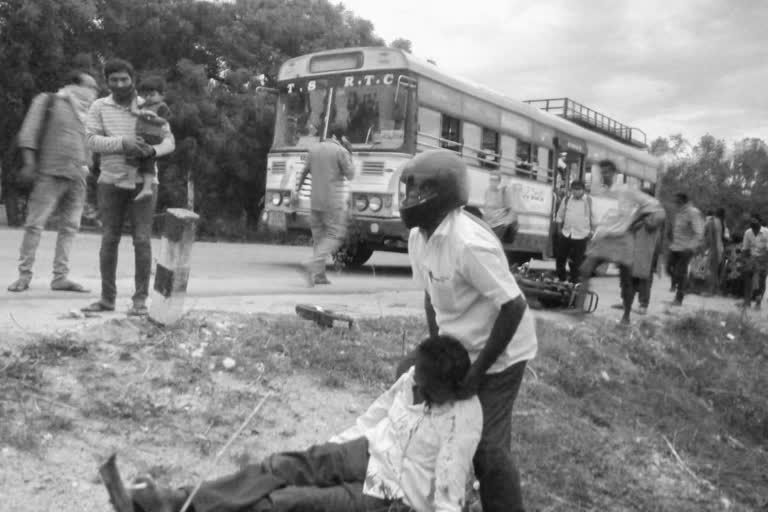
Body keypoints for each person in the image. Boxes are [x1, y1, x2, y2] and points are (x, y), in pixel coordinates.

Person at [127, 335, 482, 512]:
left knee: (286, 502)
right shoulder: (414, 378)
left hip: (389, 492)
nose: (415, 384)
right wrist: (333, 450)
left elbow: (449, 497)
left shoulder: (461, 421)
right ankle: (175, 501)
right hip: (369, 451)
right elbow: (375, 415)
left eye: (425, 383)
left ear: (449, 386)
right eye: (415, 376)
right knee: (281, 466)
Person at [396, 149, 538, 512]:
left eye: (420, 191)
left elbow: (514, 306)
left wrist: (476, 374)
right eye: (408, 190)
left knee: (489, 448)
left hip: (501, 352)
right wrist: (435, 352)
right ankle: (428, 486)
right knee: (407, 377)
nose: (410, 199)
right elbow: (431, 297)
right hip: (460, 344)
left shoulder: (468, 243)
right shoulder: (419, 237)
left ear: (444, 194)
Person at [81, 58, 175, 316]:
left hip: (143, 182)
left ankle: (139, 301)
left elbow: (170, 142)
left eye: (125, 79)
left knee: (142, 240)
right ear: (106, 81)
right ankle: (107, 299)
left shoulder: (149, 105)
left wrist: (150, 150)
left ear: (132, 79)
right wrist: (123, 143)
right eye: (114, 80)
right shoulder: (99, 106)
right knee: (109, 239)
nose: (120, 84)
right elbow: (91, 141)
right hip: (110, 182)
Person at [7, 70, 99, 293]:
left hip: (78, 176)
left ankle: (60, 278)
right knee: (35, 225)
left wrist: (89, 164)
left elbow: (90, 142)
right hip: (49, 172)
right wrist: (29, 164)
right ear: (74, 84)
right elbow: (28, 133)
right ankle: (24, 275)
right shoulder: (48, 100)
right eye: (90, 86)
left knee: (70, 228)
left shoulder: (89, 111)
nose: (93, 91)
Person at [575, 159, 661, 325]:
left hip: (623, 239)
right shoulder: (599, 192)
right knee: (585, 269)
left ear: (615, 173)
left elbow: (653, 205)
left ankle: (626, 316)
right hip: (604, 239)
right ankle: (579, 309)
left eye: (607, 171)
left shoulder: (627, 191)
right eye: (602, 171)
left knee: (626, 279)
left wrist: (637, 221)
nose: (604, 174)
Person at [294, 123, 354, 286]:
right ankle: (311, 264)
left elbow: (304, 172)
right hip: (332, 202)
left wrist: (297, 191)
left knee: (319, 238)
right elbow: (351, 174)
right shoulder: (341, 151)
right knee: (335, 235)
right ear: (340, 137)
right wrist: (350, 151)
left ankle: (319, 276)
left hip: (315, 201)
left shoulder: (314, 149)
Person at [132, 75, 172, 202]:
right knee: (134, 156)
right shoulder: (144, 105)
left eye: (152, 94)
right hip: (142, 135)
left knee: (148, 159)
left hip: (153, 137)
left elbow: (163, 120)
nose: (148, 97)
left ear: (161, 95)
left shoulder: (162, 106)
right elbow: (134, 110)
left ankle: (147, 187)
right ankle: (132, 181)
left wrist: (150, 117)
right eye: (146, 95)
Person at [628, 189, 666, 315]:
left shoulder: (658, 211)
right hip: (637, 246)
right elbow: (631, 226)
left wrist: (641, 217)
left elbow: (651, 225)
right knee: (631, 275)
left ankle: (643, 305)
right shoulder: (641, 209)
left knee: (645, 277)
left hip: (650, 249)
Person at [667, 192, 704, 306]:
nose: (675, 203)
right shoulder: (679, 212)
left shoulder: (693, 212)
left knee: (680, 273)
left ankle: (679, 298)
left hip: (686, 249)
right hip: (675, 247)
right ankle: (686, 285)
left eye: (676, 201)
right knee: (668, 269)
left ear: (683, 201)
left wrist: (691, 247)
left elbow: (699, 232)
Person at [554, 180, 595, 283]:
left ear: (583, 190)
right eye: (574, 189)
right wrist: (559, 230)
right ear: (571, 190)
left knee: (576, 261)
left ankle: (574, 280)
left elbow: (593, 217)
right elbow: (559, 215)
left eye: (579, 189)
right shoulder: (567, 199)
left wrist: (592, 232)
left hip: (581, 235)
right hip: (566, 233)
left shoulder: (588, 201)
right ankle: (561, 278)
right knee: (560, 258)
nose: (576, 192)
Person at [738, 213, 768, 310]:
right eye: (751, 221)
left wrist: (761, 262)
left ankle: (758, 302)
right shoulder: (748, 232)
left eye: (755, 221)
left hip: (764, 258)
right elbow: (745, 248)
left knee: (761, 279)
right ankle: (747, 301)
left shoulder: (766, 232)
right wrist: (743, 261)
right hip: (751, 258)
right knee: (747, 276)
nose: (752, 223)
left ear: (760, 221)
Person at [482, 173, 518, 244]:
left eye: (495, 180)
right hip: (488, 224)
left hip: (497, 225)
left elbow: (511, 209)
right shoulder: (487, 191)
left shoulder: (502, 192)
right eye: (491, 179)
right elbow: (486, 207)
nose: (492, 182)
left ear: (498, 182)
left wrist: (505, 222)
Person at [701, 209, 725, 295]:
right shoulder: (721, 222)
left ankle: (709, 291)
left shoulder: (712, 222)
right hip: (719, 248)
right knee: (715, 270)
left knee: (711, 270)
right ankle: (714, 289)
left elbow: (709, 236)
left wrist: (705, 247)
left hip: (713, 248)